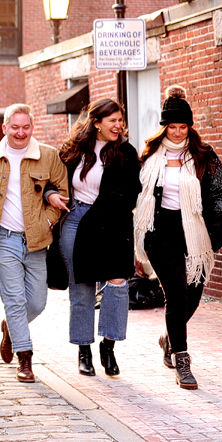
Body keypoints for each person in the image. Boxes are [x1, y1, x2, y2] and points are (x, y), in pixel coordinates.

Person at [134, 86, 222, 390]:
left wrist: (217, 228)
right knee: (176, 293)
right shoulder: (150, 155)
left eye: (183, 126)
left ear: (190, 126)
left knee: (193, 294)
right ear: (164, 127)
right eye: (171, 127)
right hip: (158, 231)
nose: (177, 133)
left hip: (194, 231)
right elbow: (135, 193)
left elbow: (220, 192)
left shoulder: (204, 155)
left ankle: (169, 338)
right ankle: (183, 361)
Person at [0, 104, 68, 383]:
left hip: (37, 241)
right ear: (5, 128)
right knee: (15, 301)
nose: (20, 132)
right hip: (3, 240)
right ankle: (25, 359)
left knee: (37, 303)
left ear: (32, 127)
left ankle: (10, 328)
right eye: (14, 127)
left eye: (25, 127)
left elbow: (62, 192)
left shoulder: (48, 156)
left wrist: (48, 221)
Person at [54, 99, 141, 377]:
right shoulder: (74, 151)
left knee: (117, 285)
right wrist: (50, 196)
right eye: (112, 120)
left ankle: (109, 345)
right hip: (77, 221)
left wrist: (108, 209)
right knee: (81, 288)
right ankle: (83, 350)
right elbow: (52, 182)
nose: (118, 125)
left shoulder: (126, 152)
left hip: (113, 223)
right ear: (96, 123)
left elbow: (131, 193)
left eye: (120, 120)